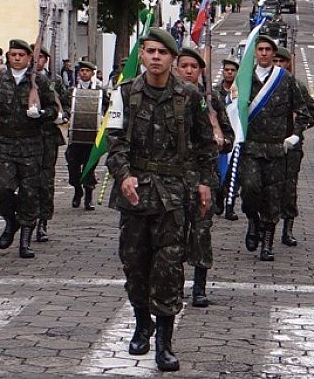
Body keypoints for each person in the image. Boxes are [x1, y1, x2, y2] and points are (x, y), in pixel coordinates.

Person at [105, 28, 216, 371]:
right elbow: (114, 140)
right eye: (150, 51)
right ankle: (142, 322)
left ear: (172, 59)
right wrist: (123, 175)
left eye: (162, 53)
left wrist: (205, 184)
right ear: (142, 56)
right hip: (136, 194)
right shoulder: (125, 94)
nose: (155, 57)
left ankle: (165, 344)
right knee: (134, 265)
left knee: (168, 269)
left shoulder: (189, 95)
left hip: (174, 195)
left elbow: (205, 145)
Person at [0, 39, 58, 259]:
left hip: (31, 145)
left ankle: (25, 240)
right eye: (13, 54)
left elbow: (55, 110)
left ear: (29, 57)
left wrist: (40, 115)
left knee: (30, 194)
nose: (17, 58)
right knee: (2, 189)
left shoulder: (39, 81)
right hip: (7, 144)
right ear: (8, 57)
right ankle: (11, 221)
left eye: (21, 54)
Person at [239, 35, 311, 262]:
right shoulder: (244, 79)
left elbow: (305, 111)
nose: (263, 53)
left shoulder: (286, 80)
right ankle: (252, 220)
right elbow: (232, 109)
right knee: (250, 189)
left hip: (277, 149)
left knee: (273, 197)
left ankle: (267, 242)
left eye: (268, 50)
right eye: (259, 49)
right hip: (251, 146)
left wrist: (296, 135)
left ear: (274, 53)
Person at [175, 46, 234, 308]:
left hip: (203, 178)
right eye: (184, 66)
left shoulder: (211, 101)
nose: (189, 71)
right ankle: (174, 286)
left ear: (200, 71)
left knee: (201, 233)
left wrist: (218, 135)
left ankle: (199, 287)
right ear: (177, 68)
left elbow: (230, 138)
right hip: (174, 180)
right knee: (173, 237)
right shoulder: (171, 97)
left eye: (194, 67)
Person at [273, 47, 314, 247]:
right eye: (276, 61)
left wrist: (297, 132)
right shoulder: (259, 85)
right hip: (265, 144)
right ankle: (260, 225)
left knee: (288, 189)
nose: (279, 65)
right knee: (264, 188)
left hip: (291, 145)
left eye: (283, 62)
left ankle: (287, 228)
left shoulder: (297, 86)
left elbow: (310, 113)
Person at [33, 45, 70, 243]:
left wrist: (61, 113)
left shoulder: (54, 80)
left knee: (45, 181)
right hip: (27, 138)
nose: (36, 60)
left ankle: (42, 222)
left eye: (40, 57)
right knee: (27, 181)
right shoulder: (22, 79)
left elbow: (65, 101)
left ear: (46, 60)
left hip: (48, 136)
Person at [65, 61, 105, 212]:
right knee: (73, 169)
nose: (84, 73)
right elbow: (66, 106)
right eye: (82, 71)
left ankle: (88, 198)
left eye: (87, 71)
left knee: (89, 169)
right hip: (75, 139)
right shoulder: (71, 91)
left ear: (92, 74)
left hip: (92, 139)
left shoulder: (100, 91)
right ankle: (77, 190)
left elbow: (107, 108)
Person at [213, 58, 239, 221]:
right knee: (218, 172)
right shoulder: (215, 93)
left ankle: (230, 206)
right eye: (226, 70)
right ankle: (219, 200)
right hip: (218, 140)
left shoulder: (240, 94)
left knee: (233, 174)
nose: (229, 72)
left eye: (232, 70)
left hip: (235, 138)